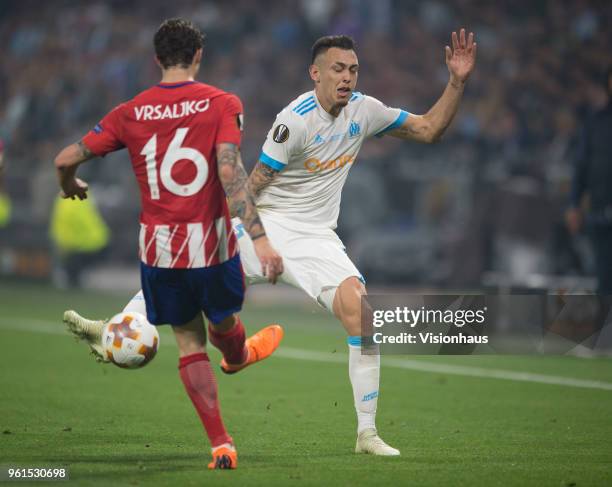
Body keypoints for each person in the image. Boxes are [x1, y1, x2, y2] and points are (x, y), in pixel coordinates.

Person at [66, 29, 477, 456]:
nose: (347, 78)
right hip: (263, 222)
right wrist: (238, 234)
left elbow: (429, 130)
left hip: (315, 236)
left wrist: (457, 81)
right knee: (185, 280)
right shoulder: (293, 121)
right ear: (314, 73)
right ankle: (116, 325)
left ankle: (367, 435)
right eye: (338, 68)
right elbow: (253, 184)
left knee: (363, 315)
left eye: (354, 70)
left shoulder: (365, 111)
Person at [55, 18, 284, 470]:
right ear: (198, 56)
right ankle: (238, 356)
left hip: (159, 252)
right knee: (223, 324)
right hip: (213, 247)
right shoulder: (222, 102)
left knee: (189, 344)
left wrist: (69, 183)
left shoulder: (130, 111)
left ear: (157, 59)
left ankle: (221, 444)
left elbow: (64, 158)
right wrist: (260, 239)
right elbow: (228, 173)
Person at [566, 65, 612, 294]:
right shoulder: (595, 121)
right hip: (600, 211)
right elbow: (582, 166)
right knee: (604, 277)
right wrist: (574, 204)